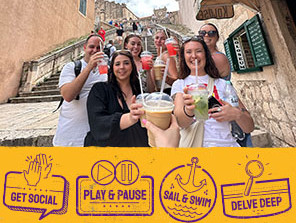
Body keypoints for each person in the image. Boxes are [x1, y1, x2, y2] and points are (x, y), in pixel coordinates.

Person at [171, 36, 254, 147]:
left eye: (199, 51)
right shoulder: (180, 85)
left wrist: (237, 114)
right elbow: (181, 123)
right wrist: (188, 110)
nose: (194, 56)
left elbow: (249, 127)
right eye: (188, 52)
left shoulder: (223, 84)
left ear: (206, 55)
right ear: (183, 57)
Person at [199, 23, 253, 146]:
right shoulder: (204, 57)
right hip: (213, 102)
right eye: (202, 33)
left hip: (225, 99)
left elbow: (203, 78)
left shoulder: (218, 58)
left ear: (217, 37)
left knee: (236, 132)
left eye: (211, 32)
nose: (206, 35)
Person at [84, 50, 149, 147]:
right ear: (112, 68)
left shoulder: (139, 91)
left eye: (126, 63)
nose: (122, 67)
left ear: (132, 66)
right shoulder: (99, 90)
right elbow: (97, 124)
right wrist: (129, 118)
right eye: (117, 64)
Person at [53, 34, 108, 146]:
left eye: (99, 48)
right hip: (69, 139)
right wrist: (89, 67)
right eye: (91, 47)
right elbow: (68, 96)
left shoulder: (106, 69)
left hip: (95, 137)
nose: (95, 50)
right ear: (84, 47)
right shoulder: (71, 67)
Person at [153, 29, 179, 94]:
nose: (158, 41)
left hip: (168, 91)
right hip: (161, 91)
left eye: (162, 39)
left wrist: (166, 78)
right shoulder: (159, 56)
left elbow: (175, 78)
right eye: (157, 38)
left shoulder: (166, 55)